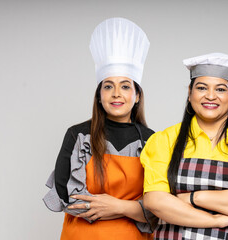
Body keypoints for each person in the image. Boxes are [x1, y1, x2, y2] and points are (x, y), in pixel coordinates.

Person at [140, 53, 228, 239]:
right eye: (201, 88)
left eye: (221, 89)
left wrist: (193, 198)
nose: (210, 96)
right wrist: (216, 220)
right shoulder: (165, 140)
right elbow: (155, 202)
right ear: (190, 94)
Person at [43, 18, 155, 240]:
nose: (116, 93)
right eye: (108, 86)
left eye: (125, 86)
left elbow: (160, 206)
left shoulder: (153, 141)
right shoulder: (78, 135)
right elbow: (66, 194)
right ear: (99, 95)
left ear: (137, 95)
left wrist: (117, 206)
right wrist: (132, 208)